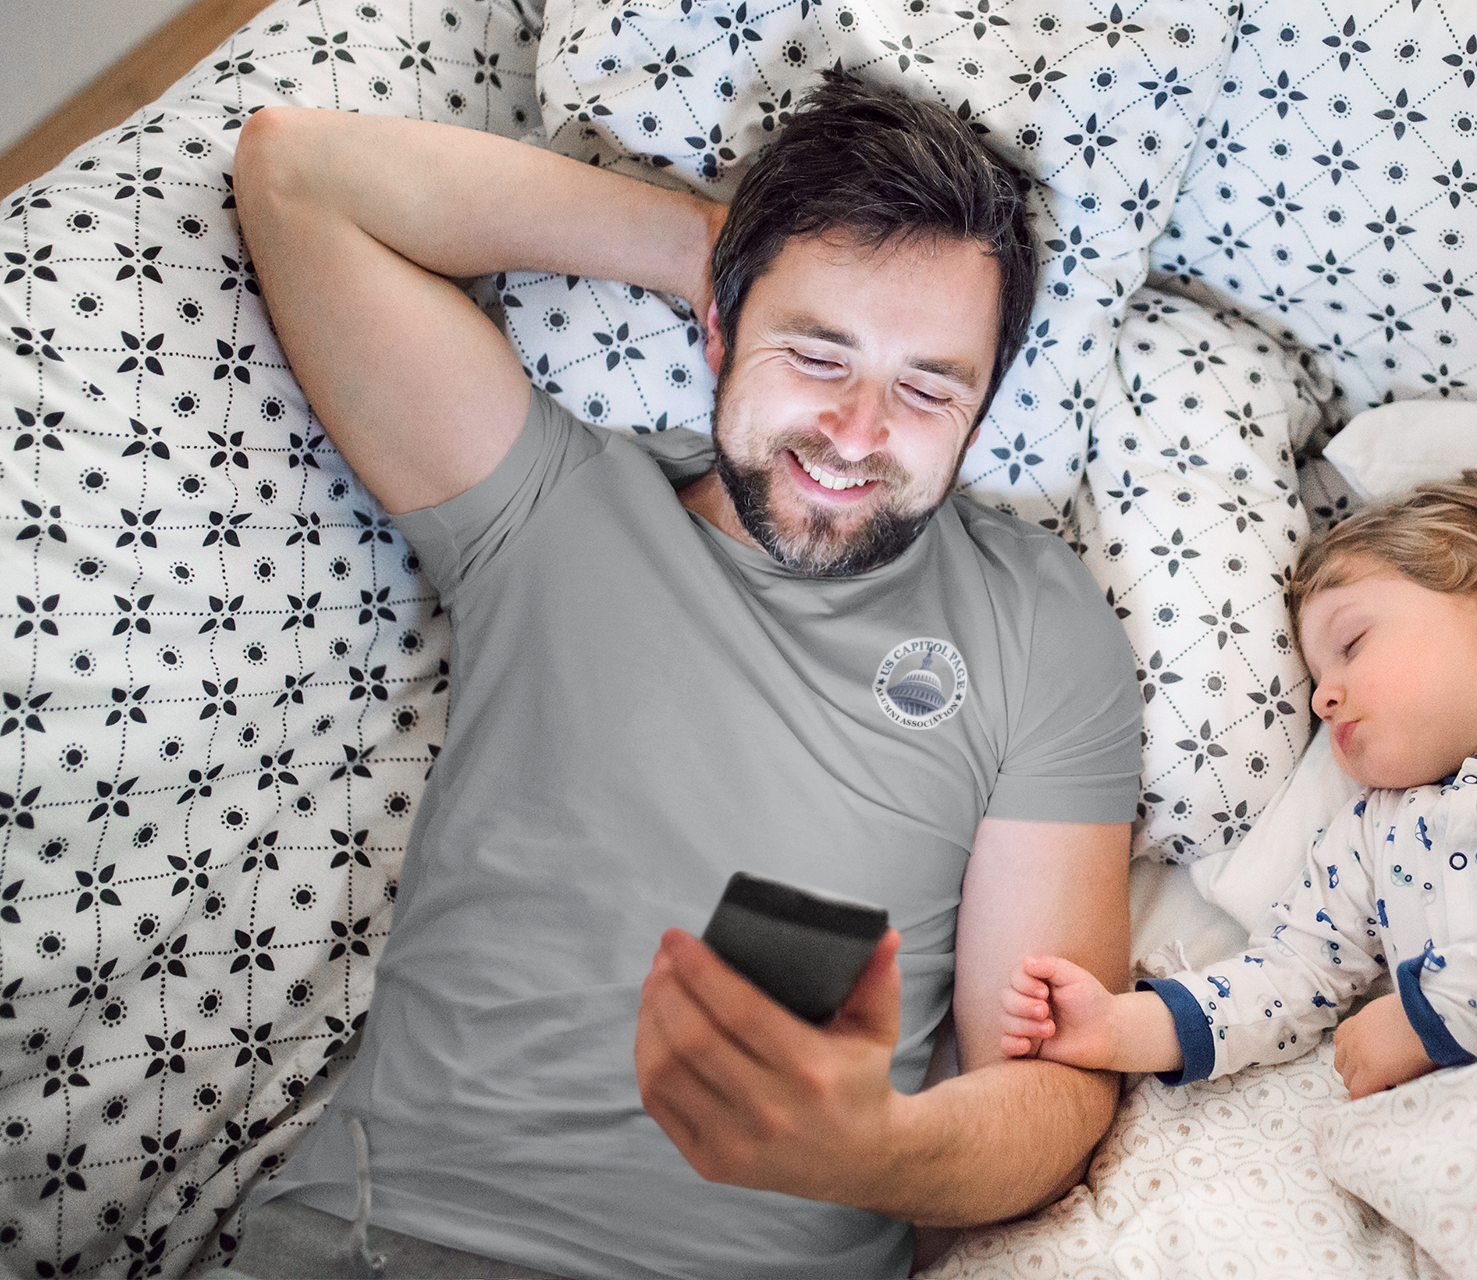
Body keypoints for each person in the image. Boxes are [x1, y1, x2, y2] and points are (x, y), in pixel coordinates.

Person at [227, 72, 1142, 1278]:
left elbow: (1057, 1091)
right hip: (386, 1241)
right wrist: (711, 243)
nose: (859, 432)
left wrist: (872, 1150)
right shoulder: (546, 505)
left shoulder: (1037, 618)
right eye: (816, 351)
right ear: (717, 326)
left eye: (929, 387)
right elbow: (298, 174)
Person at [998, 471, 1477, 1097]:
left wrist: (1430, 1017)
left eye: (1352, 644)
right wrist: (1120, 1028)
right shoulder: (1376, 830)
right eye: (1315, 677)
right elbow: (1293, 976)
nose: (1320, 697)